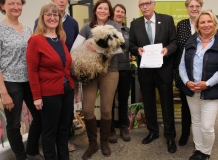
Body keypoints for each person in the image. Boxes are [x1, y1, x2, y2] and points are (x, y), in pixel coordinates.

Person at [0, 0, 43, 160]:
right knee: (14, 124)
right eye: (11, 3)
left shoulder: (27, 29)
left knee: (39, 117)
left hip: (29, 81)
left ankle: (31, 150)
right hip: (10, 83)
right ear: (2, 6)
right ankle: (21, 157)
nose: (16, 7)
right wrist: (4, 93)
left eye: (19, 3)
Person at [70, 0, 122, 159]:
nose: (103, 10)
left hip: (110, 71)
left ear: (109, 11)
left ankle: (104, 141)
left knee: (106, 109)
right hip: (90, 72)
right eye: (100, 8)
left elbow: (118, 48)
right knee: (87, 109)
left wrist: (97, 48)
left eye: (106, 8)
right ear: (95, 10)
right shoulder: (87, 27)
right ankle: (92, 144)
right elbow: (74, 48)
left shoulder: (114, 26)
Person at [179, 9, 218, 160]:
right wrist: (187, 82)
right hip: (192, 89)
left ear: (215, 23)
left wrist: (207, 84)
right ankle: (198, 150)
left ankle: (206, 153)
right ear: (197, 25)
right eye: (202, 22)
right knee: (195, 121)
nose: (206, 25)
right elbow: (182, 65)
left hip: (211, 90)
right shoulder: (190, 42)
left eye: (209, 21)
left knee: (207, 126)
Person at [26, 2, 75, 160]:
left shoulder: (61, 38)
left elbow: (65, 64)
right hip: (49, 94)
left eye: (55, 15)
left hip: (67, 91)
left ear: (59, 18)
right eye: (48, 14)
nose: (52, 18)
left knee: (63, 130)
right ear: (42, 17)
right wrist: (36, 97)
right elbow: (32, 71)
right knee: (49, 133)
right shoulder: (35, 40)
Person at [129, 0, 177, 153]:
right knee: (149, 103)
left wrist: (167, 50)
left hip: (164, 70)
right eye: (142, 4)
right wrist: (138, 50)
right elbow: (130, 45)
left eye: (148, 3)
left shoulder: (167, 19)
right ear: (139, 7)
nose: (145, 6)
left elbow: (174, 42)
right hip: (146, 71)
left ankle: (170, 136)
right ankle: (153, 131)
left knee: (167, 104)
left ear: (154, 4)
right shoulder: (135, 24)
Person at [174, 0, 203, 146]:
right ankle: (185, 133)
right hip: (184, 73)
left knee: (204, 106)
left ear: (201, 8)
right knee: (186, 106)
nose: (194, 8)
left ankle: (202, 135)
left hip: (203, 74)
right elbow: (177, 48)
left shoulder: (206, 22)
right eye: (191, 6)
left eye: (197, 6)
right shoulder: (182, 25)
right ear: (187, 8)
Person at [108, 4, 131, 144]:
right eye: (118, 11)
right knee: (109, 101)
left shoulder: (128, 31)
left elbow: (131, 47)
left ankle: (124, 127)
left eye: (123, 12)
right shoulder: (108, 29)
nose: (120, 13)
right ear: (113, 13)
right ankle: (110, 129)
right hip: (110, 69)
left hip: (125, 69)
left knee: (123, 101)